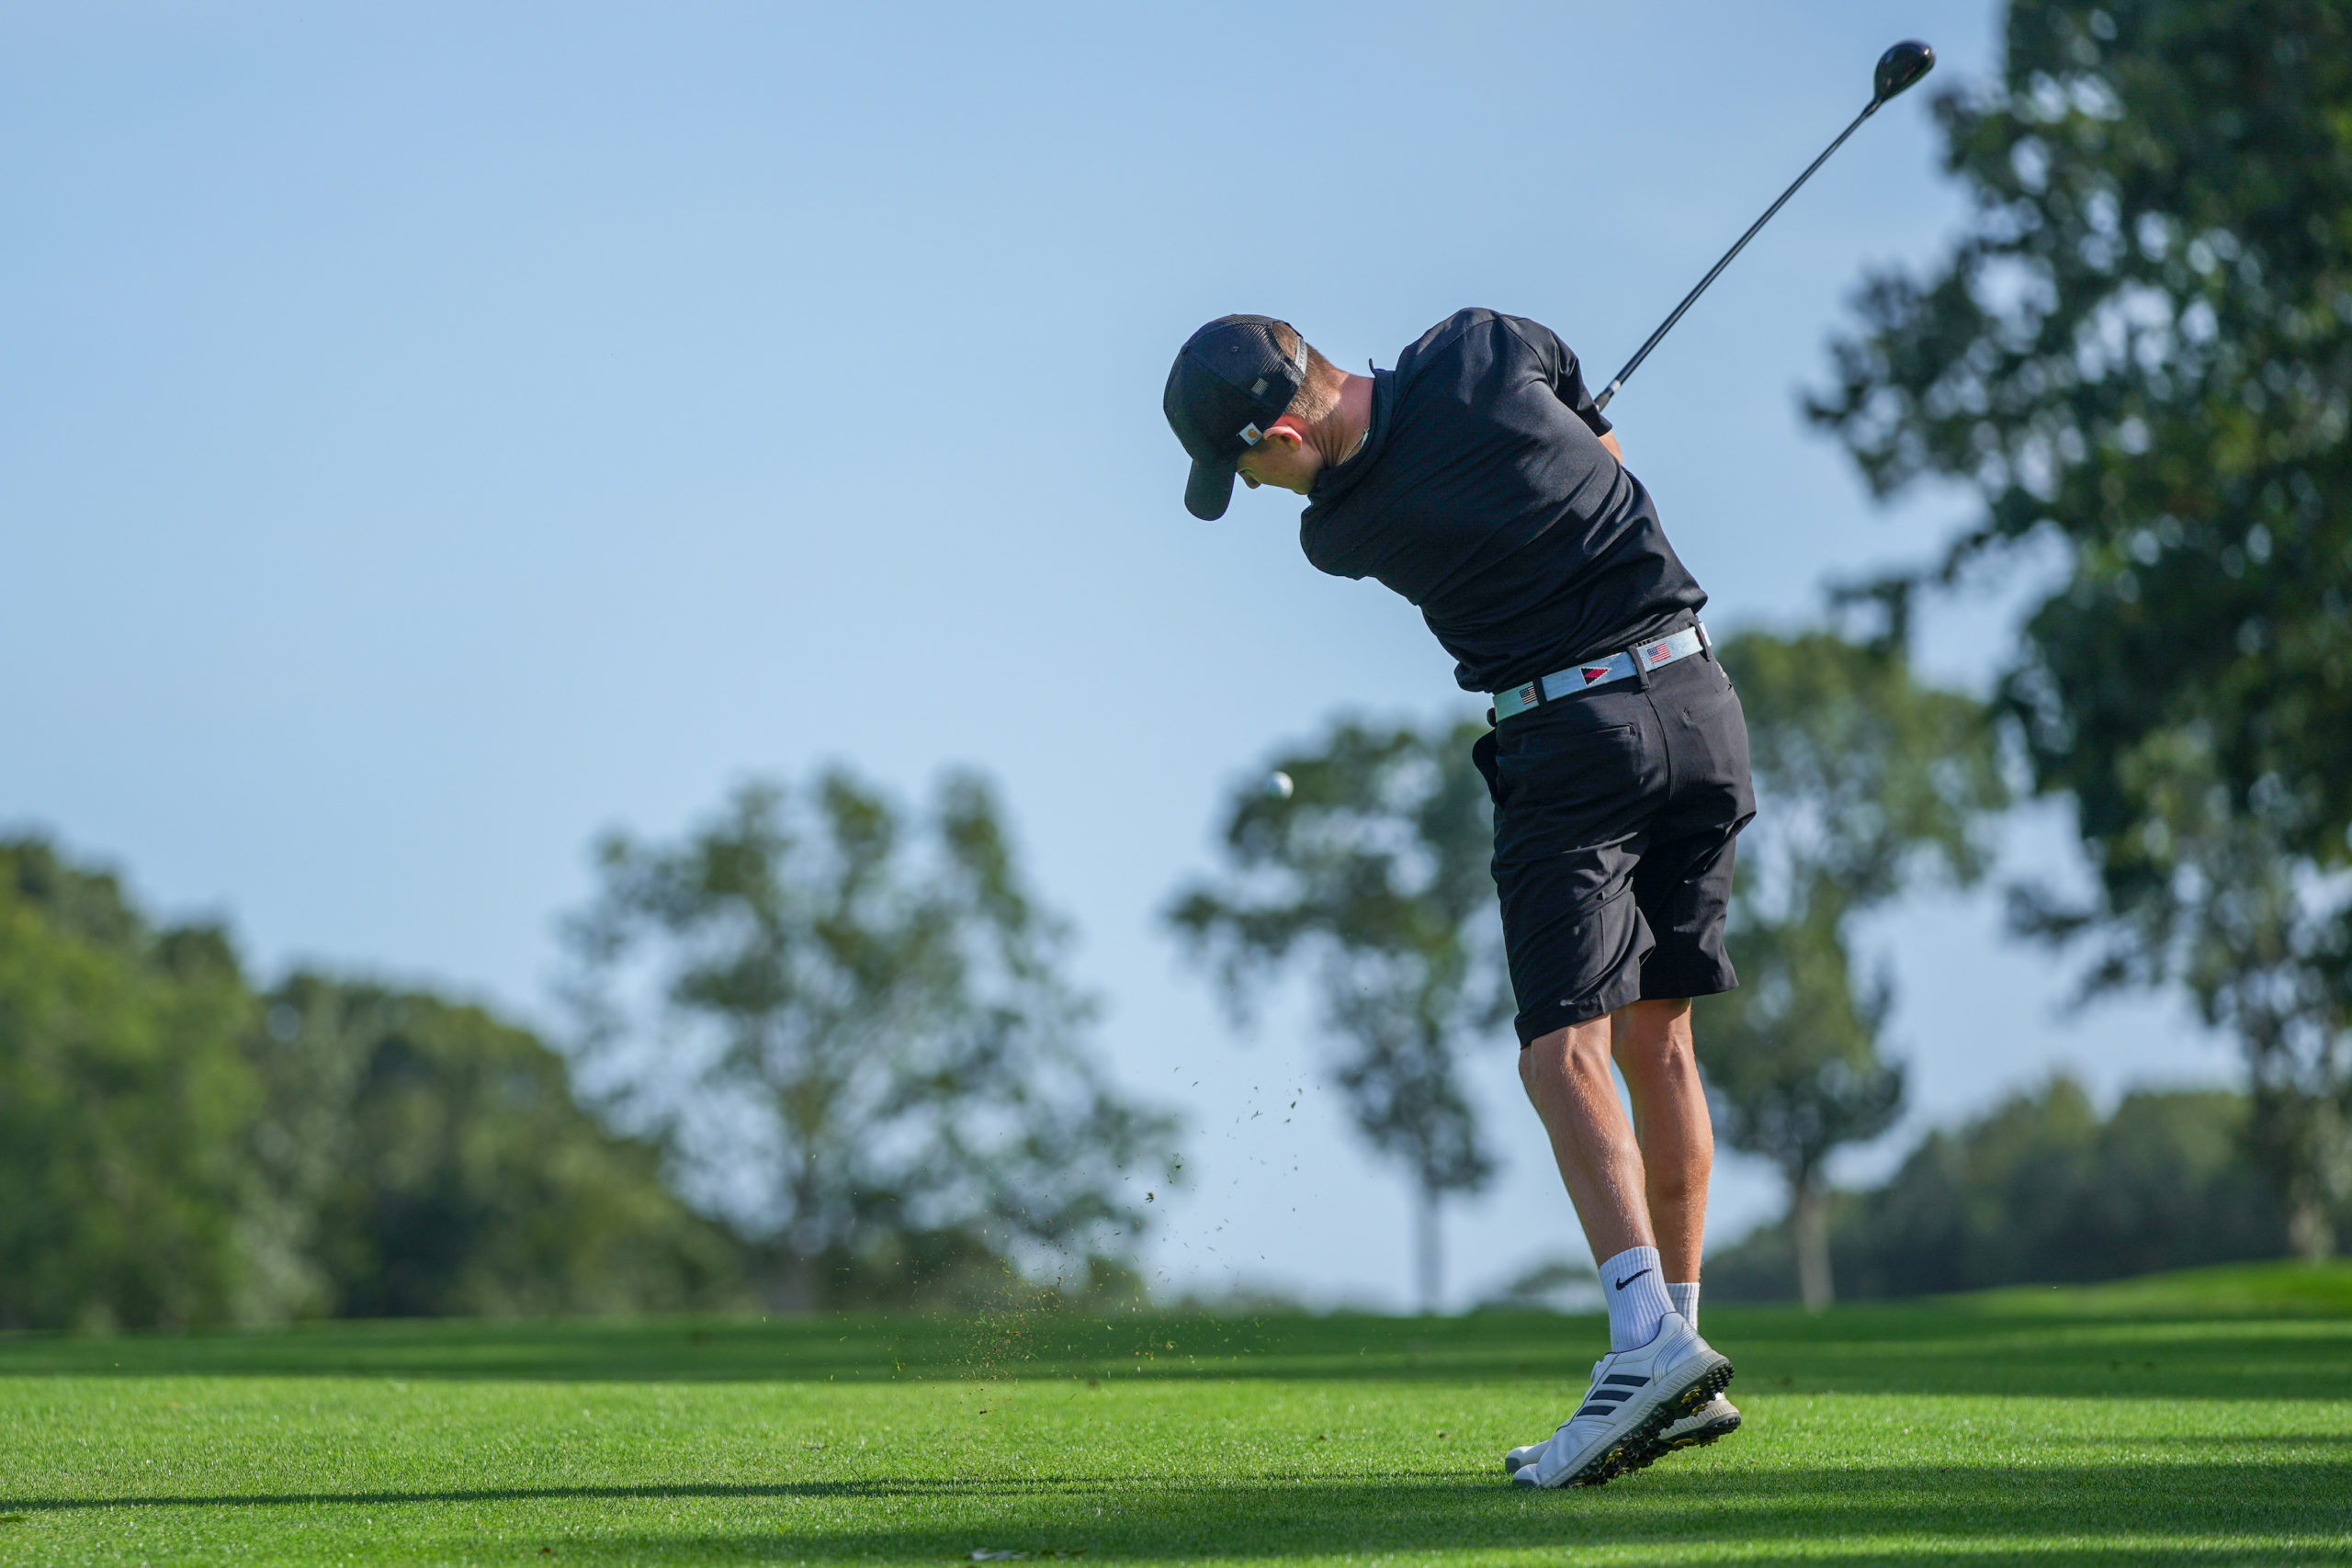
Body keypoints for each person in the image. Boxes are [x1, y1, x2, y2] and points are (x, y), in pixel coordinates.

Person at [1162, 310, 1754, 1488]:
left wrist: (1567, 437)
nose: (1265, 488)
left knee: (1559, 1055)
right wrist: (1578, 431)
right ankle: (1674, 1349)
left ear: (1284, 431)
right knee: (1660, 1035)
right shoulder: (1482, 345)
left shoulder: (1343, 528)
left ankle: (1647, 1344)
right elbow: (1598, 439)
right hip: (1701, 706)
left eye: (1250, 464)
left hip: (1575, 741)